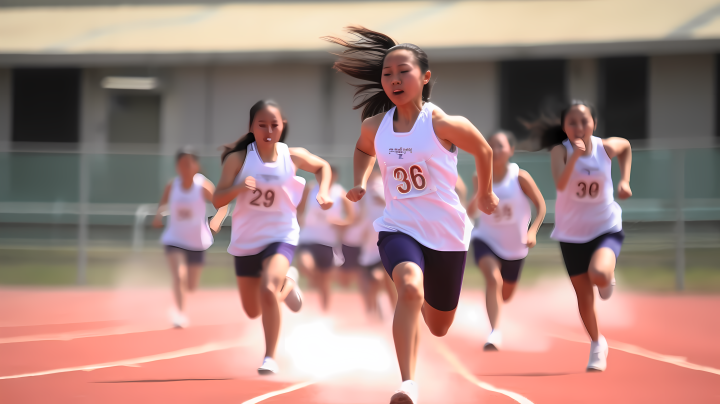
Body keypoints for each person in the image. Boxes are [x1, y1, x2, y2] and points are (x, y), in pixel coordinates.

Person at [324, 26, 498, 404]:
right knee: (409, 287)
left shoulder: (443, 124)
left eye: (403, 71)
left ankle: (423, 322)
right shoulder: (375, 126)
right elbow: (362, 149)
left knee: (438, 326)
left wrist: (484, 192)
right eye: (387, 74)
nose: (394, 80)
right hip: (398, 228)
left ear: (425, 77)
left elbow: (483, 150)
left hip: (447, 234)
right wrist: (360, 180)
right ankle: (408, 384)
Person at [212, 100, 333, 375]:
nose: (268, 130)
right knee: (254, 310)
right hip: (246, 241)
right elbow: (218, 198)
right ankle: (288, 285)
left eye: (274, 125)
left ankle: (269, 357)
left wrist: (323, 192)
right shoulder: (239, 159)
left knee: (268, 289)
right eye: (262, 125)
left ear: (283, 127)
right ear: (252, 128)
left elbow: (322, 167)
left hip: (281, 235)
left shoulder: (291, 156)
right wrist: (238, 187)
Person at [532, 100, 632, 372]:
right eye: (572, 123)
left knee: (598, 274)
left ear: (594, 124)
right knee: (584, 296)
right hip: (571, 234)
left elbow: (626, 147)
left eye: (584, 121)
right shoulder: (559, 152)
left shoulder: (606, 147)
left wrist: (624, 180)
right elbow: (562, 185)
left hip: (605, 227)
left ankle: (606, 276)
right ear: (564, 127)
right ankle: (597, 343)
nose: (579, 127)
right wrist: (575, 156)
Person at [466, 130, 546, 351]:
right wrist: (477, 196)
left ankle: (495, 310)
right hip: (486, 239)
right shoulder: (480, 176)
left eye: (500, 145)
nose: (495, 150)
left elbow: (541, 206)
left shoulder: (520, 177)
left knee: (506, 294)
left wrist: (533, 231)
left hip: (515, 246)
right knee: (493, 280)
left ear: (511, 150)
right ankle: (494, 333)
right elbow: (472, 209)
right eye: (491, 146)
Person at [153, 146, 228, 328]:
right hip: (174, 239)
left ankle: (180, 301)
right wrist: (159, 215)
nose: (185, 167)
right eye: (181, 164)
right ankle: (180, 313)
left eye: (189, 163)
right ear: (177, 166)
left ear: (196, 165)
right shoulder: (172, 185)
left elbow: (223, 205)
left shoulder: (203, 186)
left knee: (191, 285)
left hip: (197, 241)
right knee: (179, 276)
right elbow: (163, 204)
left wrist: (217, 220)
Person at [296, 166, 354, 311]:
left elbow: (351, 218)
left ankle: (324, 312)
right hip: (308, 238)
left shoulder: (340, 194)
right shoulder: (310, 189)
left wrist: (340, 223)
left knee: (325, 281)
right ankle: (313, 279)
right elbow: (299, 208)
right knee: (305, 265)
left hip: (328, 242)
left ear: (335, 177)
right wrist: (298, 220)